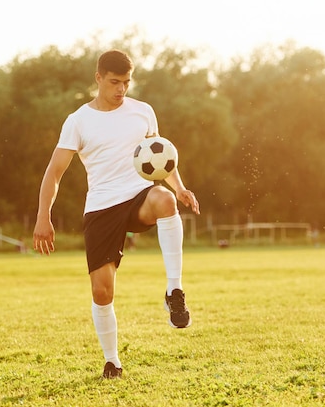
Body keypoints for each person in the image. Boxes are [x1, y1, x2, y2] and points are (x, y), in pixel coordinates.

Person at [33, 49, 200, 379]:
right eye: (114, 82)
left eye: (126, 82)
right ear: (98, 78)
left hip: (139, 194)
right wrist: (43, 216)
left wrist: (178, 186)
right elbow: (54, 172)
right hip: (102, 206)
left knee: (166, 201)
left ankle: (174, 291)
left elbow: (161, 158)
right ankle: (112, 360)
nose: (121, 89)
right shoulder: (78, 121)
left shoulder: (143, 112)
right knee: (102, 291)